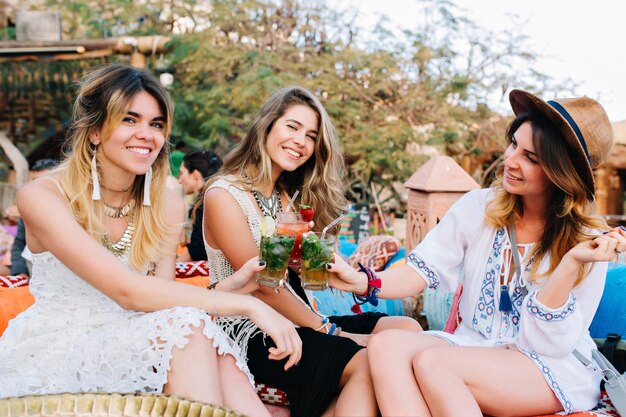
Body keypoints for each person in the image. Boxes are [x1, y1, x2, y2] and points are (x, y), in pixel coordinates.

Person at [0, 64, 302, 417]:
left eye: (156, 124)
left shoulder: (166, 205)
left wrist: (231, 290)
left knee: (195, 330)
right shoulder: (42, 196)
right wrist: (253, 305)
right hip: (57, 347)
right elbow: (128, 292)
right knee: (188, 327)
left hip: (134, 339)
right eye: (129, 120)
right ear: (95, 130)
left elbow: (161, 299)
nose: (146, 134)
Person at [328, 89, 626, 416]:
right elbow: (418, 271)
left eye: (531, 158)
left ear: (560, 173)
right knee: (386, 345)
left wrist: (570, 263)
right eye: (514, 144)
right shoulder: (478, 206)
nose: (510, 161)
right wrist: (361, 281)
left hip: (547, 364)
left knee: (434, 363)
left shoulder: (589, 242)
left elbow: (549, 344)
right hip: (472, 345)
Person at [203, 86, 420, 417]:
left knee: (406, 329)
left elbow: (300, 274)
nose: (301, 141)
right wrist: (330, 330)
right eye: (292, 127)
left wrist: (315, 267)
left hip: (300, 317)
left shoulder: (287, 199)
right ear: (267, 125)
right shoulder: (224, 195)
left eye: (311, 135)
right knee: (365, 362)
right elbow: (264, 286)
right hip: (250, 330)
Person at [9, 158, 59, 278]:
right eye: (34, 181)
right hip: (31, 269)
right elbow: (19, 244)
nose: (37, 187)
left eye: (43, 181)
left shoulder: (71, 211)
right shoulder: (29, 210)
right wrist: (20, 272)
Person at [177, 150, 222, 262]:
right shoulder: (213, 199)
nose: (179, 180)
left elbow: (196, 251)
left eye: (182, 173)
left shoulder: (206, 204)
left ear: (195, 175)